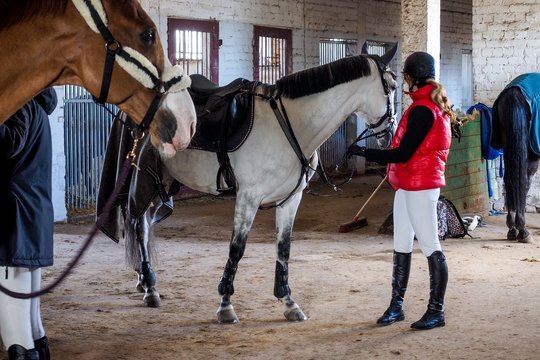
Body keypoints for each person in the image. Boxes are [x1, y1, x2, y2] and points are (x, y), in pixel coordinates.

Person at [348, 52, 454, 330]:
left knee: (431, 247)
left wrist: (363, 151)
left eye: (405, 75)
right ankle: (397, 306)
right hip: (408, 184)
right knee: (401, 244)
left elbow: (403, 152)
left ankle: (436, 311)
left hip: (420, 186)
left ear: (411, 77)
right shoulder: (428, 105)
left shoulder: (422, 110)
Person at [0, 88, 58, 359]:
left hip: (15, 225)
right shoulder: (37, 108)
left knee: (16, 336)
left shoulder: (20, 104)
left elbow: (9, 144)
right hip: (30, 222)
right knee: (33, 327)